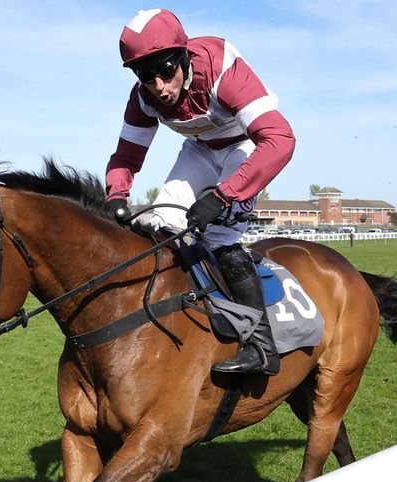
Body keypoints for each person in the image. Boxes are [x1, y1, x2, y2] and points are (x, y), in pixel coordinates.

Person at [103, 9, 295, 376]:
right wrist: (115, 196)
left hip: (248, 146)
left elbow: (280, 139)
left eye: (167, 70)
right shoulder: (143, 98)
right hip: (200, 150)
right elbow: (126, 156)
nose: (159, 86)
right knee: (162, 224)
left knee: (220, 233)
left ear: (185, 56)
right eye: (147, 76)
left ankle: (261, 344)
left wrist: (225, 195)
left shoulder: (222, 68)